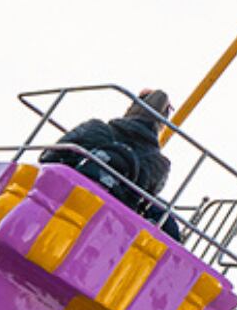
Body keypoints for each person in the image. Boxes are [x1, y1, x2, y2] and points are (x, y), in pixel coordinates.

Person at [40, 89, 174, 220]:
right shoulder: (160, 166)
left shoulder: (95, 128)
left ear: (131, 108)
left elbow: (47, 159)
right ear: (162, 125)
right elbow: (141, 208)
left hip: (53, 204)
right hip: (103, 225)